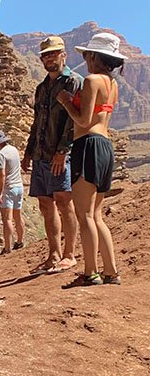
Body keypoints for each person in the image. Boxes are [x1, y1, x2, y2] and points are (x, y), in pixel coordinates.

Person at [56, 31, 124, 287]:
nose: (85, 59)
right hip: (105, 146)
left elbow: (84, 121)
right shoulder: (112, 84)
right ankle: (111, 272)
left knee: (83, 213)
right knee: (96, 215)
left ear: (94, 56)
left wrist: (65, 102)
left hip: (87, 145)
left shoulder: (92, 80)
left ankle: (90, 272)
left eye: (87, 55)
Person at [22, 35, 81, 275]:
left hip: (61, 154)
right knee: (45, 204)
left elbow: (73, 120)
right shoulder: (41, 88)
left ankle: (70, 255)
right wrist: (28, 152)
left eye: (53, 53)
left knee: (64, 201)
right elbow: (37, 122)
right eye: (45, 55)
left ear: (63, 55)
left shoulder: (73, 82)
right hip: (40, 154)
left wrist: (63, 151)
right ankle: (53, 255)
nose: (49, 58)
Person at [0, 129, 25, 254]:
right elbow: (4, 157)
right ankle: (20, 241)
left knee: (7, 219)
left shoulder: (1, 154)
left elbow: (1, 174)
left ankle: (7, 248)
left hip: (8, 189)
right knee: (17, 216)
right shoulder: (13, 150)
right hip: (19, 187)